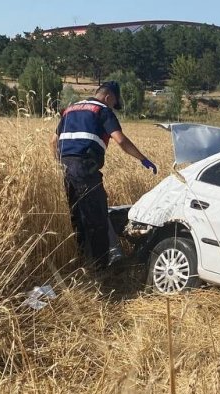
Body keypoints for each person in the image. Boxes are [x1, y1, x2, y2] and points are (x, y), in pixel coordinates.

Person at [51, 81, 157, 267]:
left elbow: (53, 141)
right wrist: (143, 158)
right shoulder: (102, 110)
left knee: (78, 217)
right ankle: (101, 268)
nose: (113, 107)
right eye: (113, 103)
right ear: (108, 97)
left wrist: (59, 163)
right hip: (86, 168)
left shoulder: (70, 110)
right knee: (97, 218)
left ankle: (84, 262)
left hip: (66, 168)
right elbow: (121, 140)